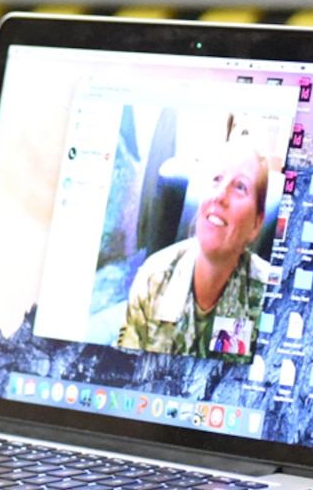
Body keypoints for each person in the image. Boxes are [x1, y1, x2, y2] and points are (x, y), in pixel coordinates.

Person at [117, 141, 272, 358]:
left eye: (240, 187)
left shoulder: (271, 299)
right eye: (217, 179)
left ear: (256, 223)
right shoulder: (153, 279)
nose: (219, 196)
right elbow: (124, 371)